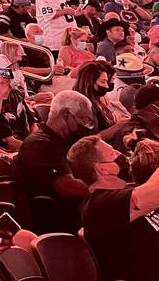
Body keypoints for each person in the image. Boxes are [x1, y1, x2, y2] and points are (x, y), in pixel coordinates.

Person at [72, 137, 159, 281]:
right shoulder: (101, 205)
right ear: (102, 168)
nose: (120, 155)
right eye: (112, 153)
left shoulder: (126, 190)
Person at [15, 89, 95, 234]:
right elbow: (66, 187)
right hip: (59, 223)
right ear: (65, 114)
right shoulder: (40, 144)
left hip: (79, 215)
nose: (87, 127)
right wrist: (106, 188)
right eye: (84, 120)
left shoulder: (65, 141)